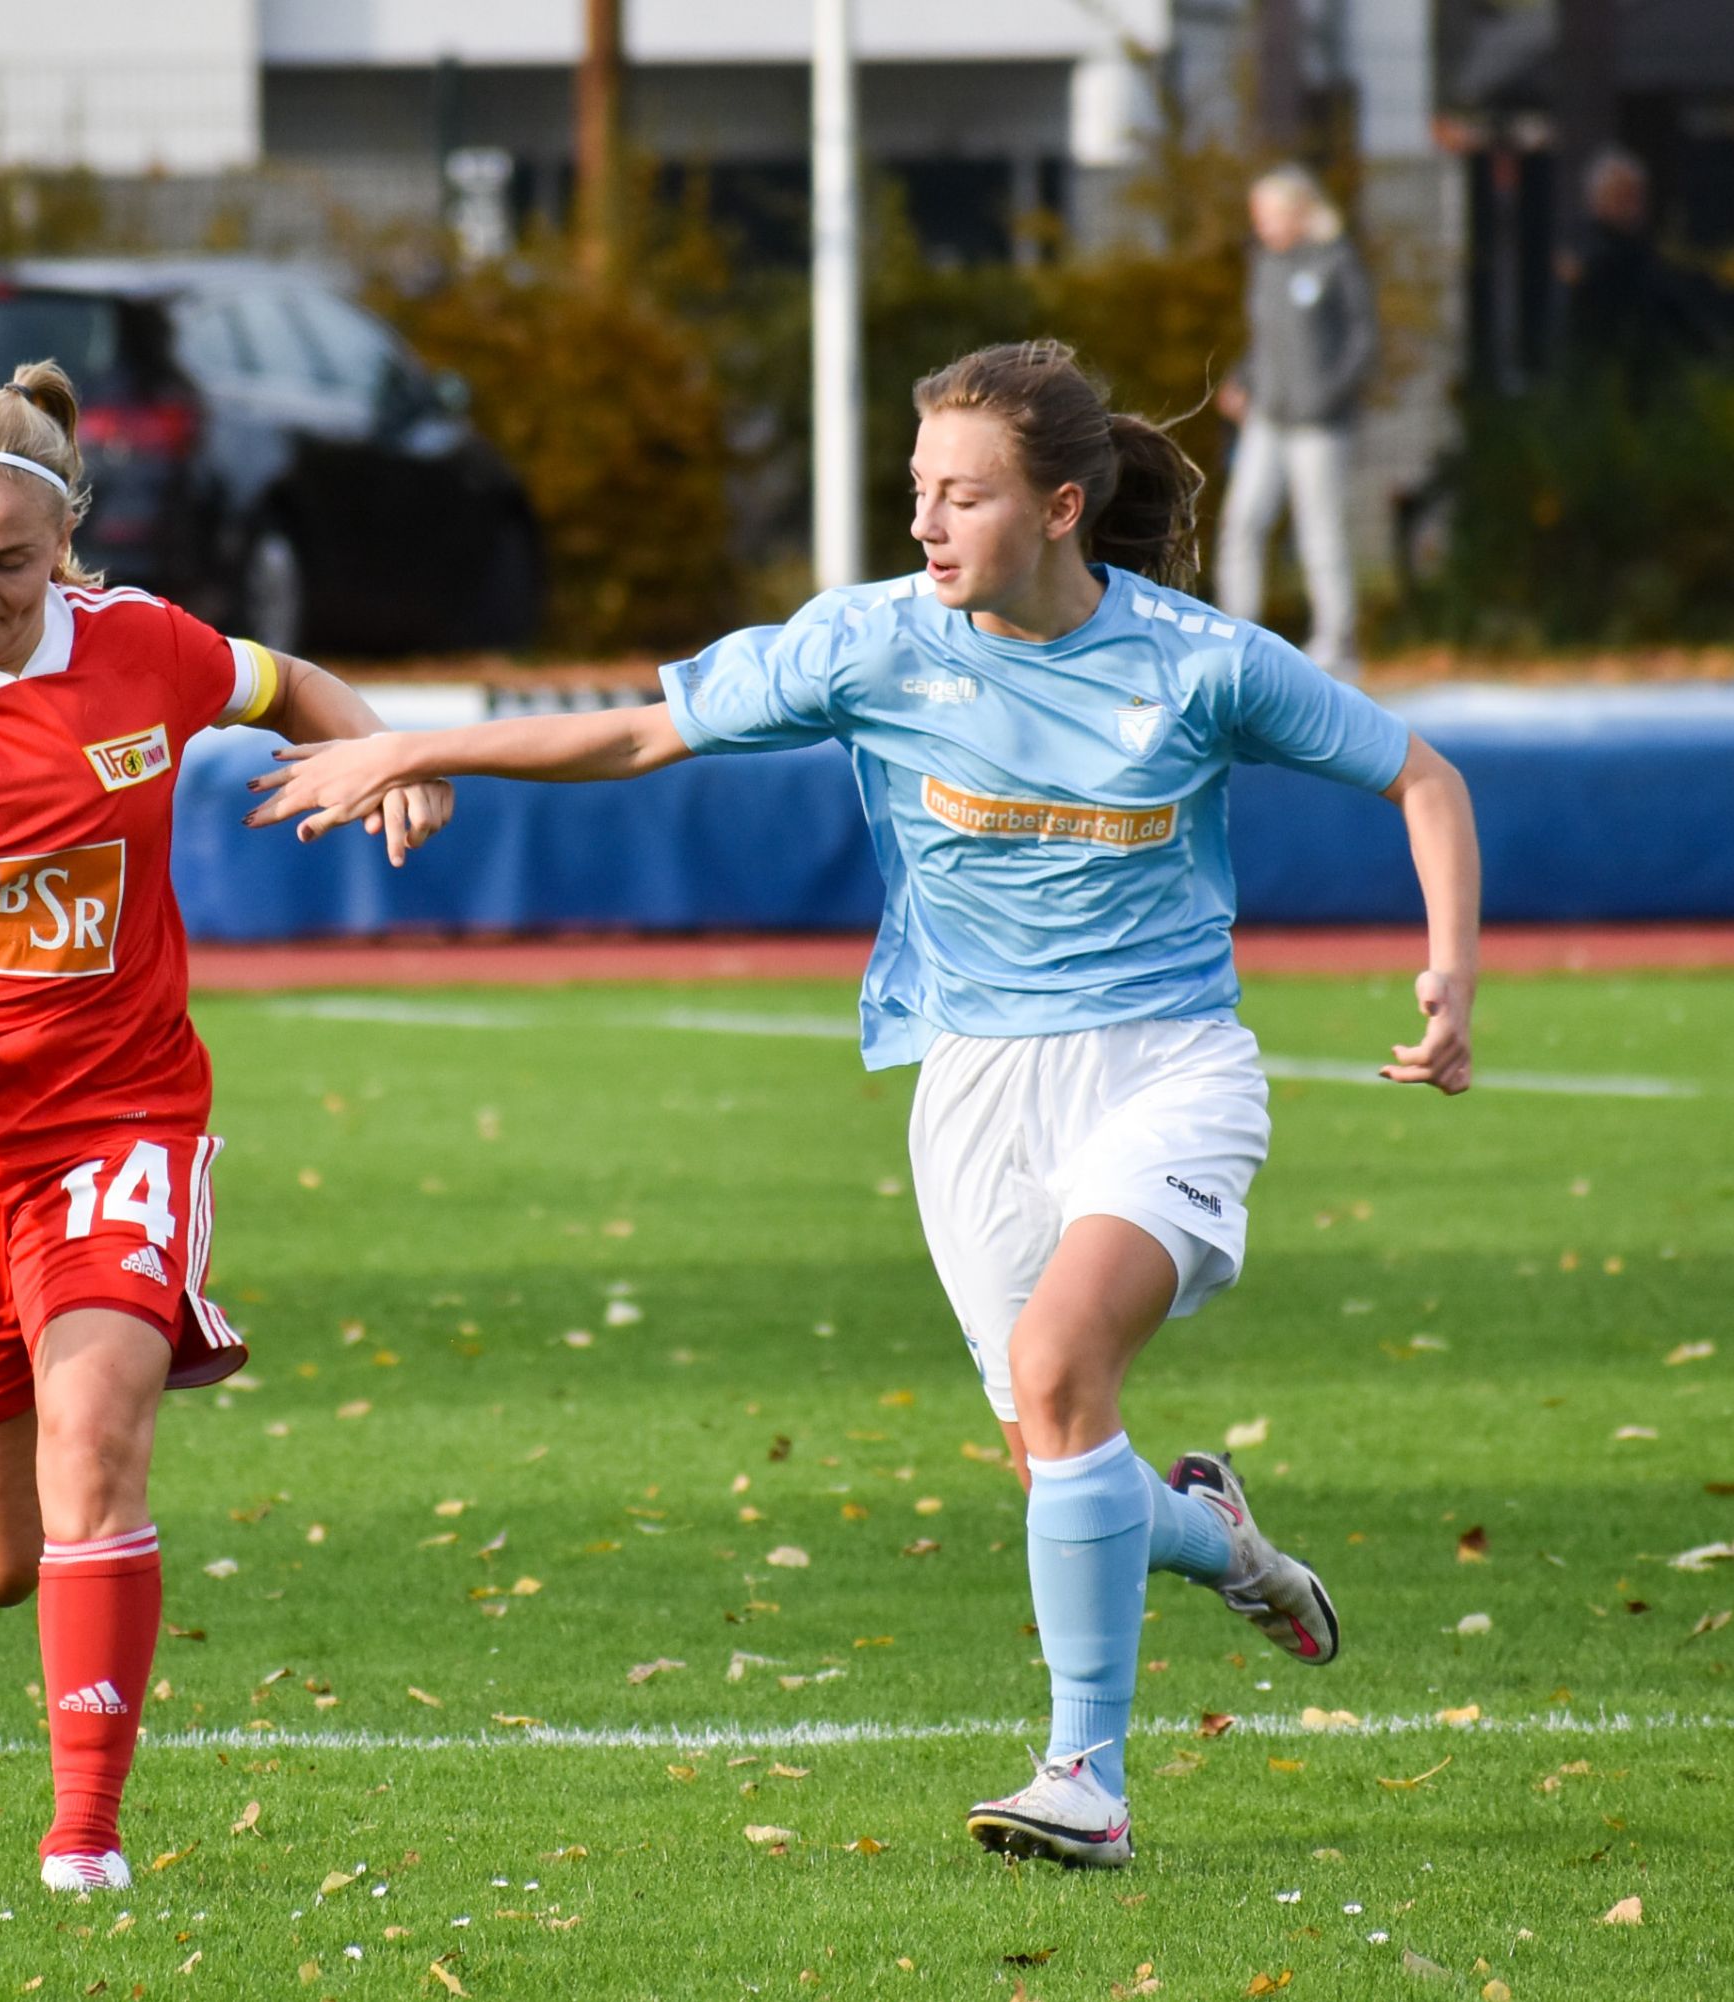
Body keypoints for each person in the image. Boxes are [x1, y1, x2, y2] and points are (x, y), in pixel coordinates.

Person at [251, 340, 1481, 1870]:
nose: (923, 523)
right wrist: (411, 743)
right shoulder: (871, 643)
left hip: (1166, 1066)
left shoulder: (1197, 661)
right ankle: (1214, 1534)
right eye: (917, 490)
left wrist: (1450, 975)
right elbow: (639, 732)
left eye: (962, 495)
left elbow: (1424, 777)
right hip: (973, 1088)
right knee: (1058, 1452)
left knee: (1060, 1367)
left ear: (1061, 507)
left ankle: (1084, 1778)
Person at [0, 360, 447, 1895]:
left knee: (95, 1438)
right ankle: (61, 1675)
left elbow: (287, 683)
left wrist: (385, 752)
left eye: (10, 561)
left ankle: (84, 1836)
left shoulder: (140, 645)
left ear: (67, 548)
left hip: (121, 1122)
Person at [1214, 165, 1376, 679]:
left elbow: (1362, 340)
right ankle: (1237, 636)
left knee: (1318, 531)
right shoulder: (1265, 265)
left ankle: (1336, 641)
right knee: (1242, 521)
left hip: (1319, 426)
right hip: (1267, 417)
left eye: (1268, 215)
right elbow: (1265, 341)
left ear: (1299, 212)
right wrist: (1242, 379)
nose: (1261, 225)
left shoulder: (1336, 261)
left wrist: (1328, 395)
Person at [1560, 147, 1729, 393]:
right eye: (1621, 197)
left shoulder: (1644, 253)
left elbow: (1676, 314)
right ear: (1597, 201)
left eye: (1637, 196)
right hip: (1605, 384)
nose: (1632, 206)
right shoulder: (1590, 253)